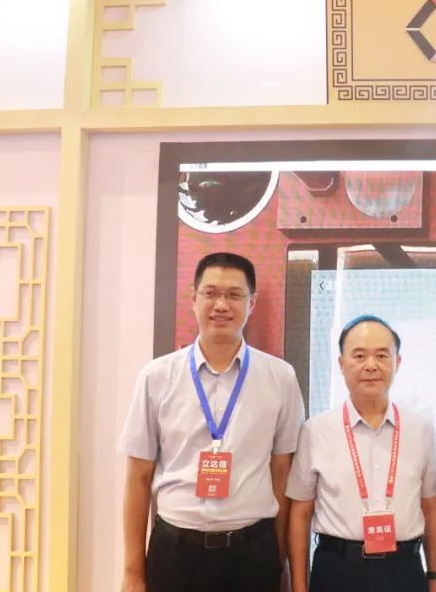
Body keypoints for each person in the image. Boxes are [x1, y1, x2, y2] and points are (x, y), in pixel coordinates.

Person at [119, 251, 306, 592]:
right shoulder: (157, 376)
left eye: (234, 295)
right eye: (211, 293)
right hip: (175, 552)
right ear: (194, 298)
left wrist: (277, 560)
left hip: (252, 553)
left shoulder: (280, 378)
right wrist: (133, 572)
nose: (221, 305)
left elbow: (282, 473)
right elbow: (138, 476)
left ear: (252, 302)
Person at [286, 315, 436, 592]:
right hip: (337, 570)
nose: (371, 365)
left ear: (397, 362)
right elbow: (300, 512)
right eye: (359, 356)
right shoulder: (316, 430)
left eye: (382, 355)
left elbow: (431, 508)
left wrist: (435, 578)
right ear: (341, 364)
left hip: (404, 571)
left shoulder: (421, 430)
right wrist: (299, 586)